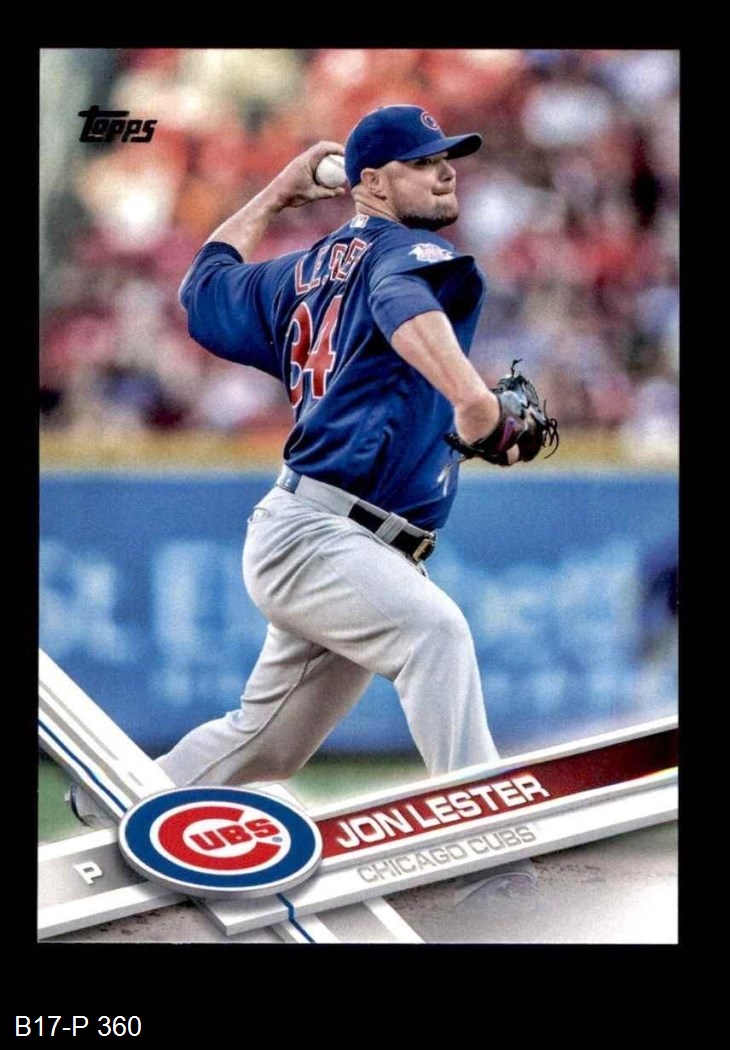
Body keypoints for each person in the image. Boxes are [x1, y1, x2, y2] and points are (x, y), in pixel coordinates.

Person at [71, 106, 531, 827]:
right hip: (323, 533)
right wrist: (472, 399)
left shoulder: (297, 274)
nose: (445, 173)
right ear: (371, 183)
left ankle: (116, 798)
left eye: (447, 159)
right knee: (435, 634)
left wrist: (277, 194)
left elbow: (203, 287)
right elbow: (399, 298)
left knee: (268, 743)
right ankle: (491, 841)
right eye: (421, 162)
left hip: (327, 536)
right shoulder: (403, 251)